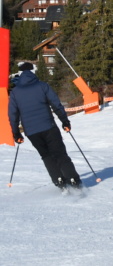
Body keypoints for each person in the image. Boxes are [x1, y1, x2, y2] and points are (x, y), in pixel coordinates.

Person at [7, 62, 82, 191]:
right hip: (48, 127)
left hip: (31, 132)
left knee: (46, 155)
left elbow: (13, 114)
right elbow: (56, 104)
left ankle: (59, 181)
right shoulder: (42, 86)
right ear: (32, 72)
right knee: (59, 153)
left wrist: (16, 133)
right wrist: (65, 121)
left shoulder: (15, 92)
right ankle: (73, 179)